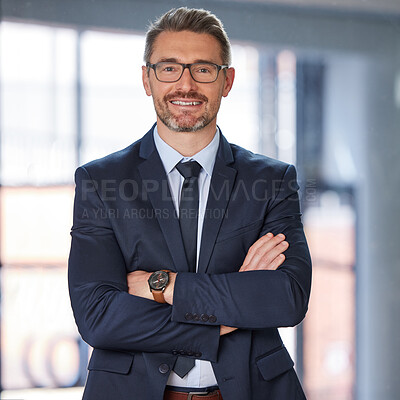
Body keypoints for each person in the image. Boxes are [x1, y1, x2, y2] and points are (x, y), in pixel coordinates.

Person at [68, 7, 311, 400]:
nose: (186, 84)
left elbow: (286, 298)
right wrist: (228, 314)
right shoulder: (100, 182)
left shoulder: (270, 181)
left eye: (203, 69)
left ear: (226, 80)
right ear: (147, 79)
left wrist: (161, 286)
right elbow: (98, 317)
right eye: (168, 68)